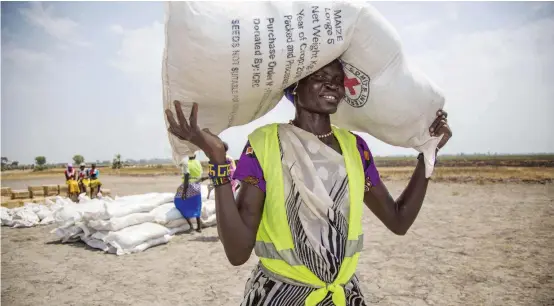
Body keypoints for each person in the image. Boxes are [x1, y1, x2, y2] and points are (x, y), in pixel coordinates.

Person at [165, 59, 452, 306]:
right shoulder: (265, 145)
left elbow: (398, 221)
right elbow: (238, 251)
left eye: (338, 80)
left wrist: (428, 154)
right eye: (319, 78)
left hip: (341, 296)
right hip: (279, 295)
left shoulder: (355, 148)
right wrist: (217, 162)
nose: (332, 86)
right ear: (294, 88)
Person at [174, 154, 204, 232]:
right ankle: (199, 227)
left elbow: (186, 176)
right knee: (197, 205)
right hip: (197, 186)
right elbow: (200, 175)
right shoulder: (198, 162)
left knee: (178, 202)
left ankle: (191, 225)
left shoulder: (186, 163)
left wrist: (184, 192)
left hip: (188, 186)